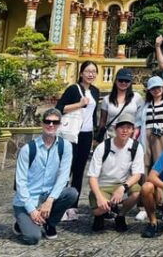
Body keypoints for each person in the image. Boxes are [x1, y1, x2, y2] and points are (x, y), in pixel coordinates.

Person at [12, 108, 77, 245]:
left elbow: (63, 177)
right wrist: (32, 211)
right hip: (28, 199)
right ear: (42, 124)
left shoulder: (65, 147)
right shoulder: (28, 149)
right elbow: (20, 183)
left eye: (55, 122)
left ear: (60, 124)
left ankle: (49, 224)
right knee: (33, 238)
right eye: (47, 121)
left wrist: (50, 201)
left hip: (48, 196)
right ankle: (21, 222)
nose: (51, 125)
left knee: (71, 193)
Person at [55, 60, 100, 221]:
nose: (91, 74)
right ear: (81, 73)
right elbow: (60, 108)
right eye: (88, 71)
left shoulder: (95, 91)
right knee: (66, 169)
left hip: (86, 134)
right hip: (72, 134)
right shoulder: (74, 89)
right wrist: (79, 104)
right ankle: (59, 205)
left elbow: (93, 115)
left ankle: (73, 206)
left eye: (94, 71)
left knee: (80, 170)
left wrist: (94, 135)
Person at [135, 76, 163, 222]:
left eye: (159, 88)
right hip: (146, 137)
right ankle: (144, 205)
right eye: (153, 88)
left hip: (162, 136)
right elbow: (138, 123)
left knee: (161, 170)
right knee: (145, 168)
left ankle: (161, 204)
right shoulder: (144, 104)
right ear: (149, 90)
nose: (156, 91)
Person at [87, 113, 144, 232]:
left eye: (128, 128)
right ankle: (101, 214)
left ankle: (120, 215)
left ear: (133, 130)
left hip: (122, 183)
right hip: (103, 185)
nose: (124, 131)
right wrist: (99, 197)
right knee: (99, 209)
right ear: (115, 128)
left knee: (137, 193)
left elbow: (137, 174)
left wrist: (123, 188)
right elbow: (92, 176)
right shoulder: (103, 147)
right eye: (121, 127)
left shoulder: (136, 147)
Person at [99, 67, 143, 139]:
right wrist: (99, 136)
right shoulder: (106, 99)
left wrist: (135, 133)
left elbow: (139, 119)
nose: (123, 83)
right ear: (116, 81)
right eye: (121, 80)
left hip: (131, 135)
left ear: (130, 82)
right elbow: (102, 121)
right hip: (111, 134)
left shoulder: (137, 97)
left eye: (126, 81)